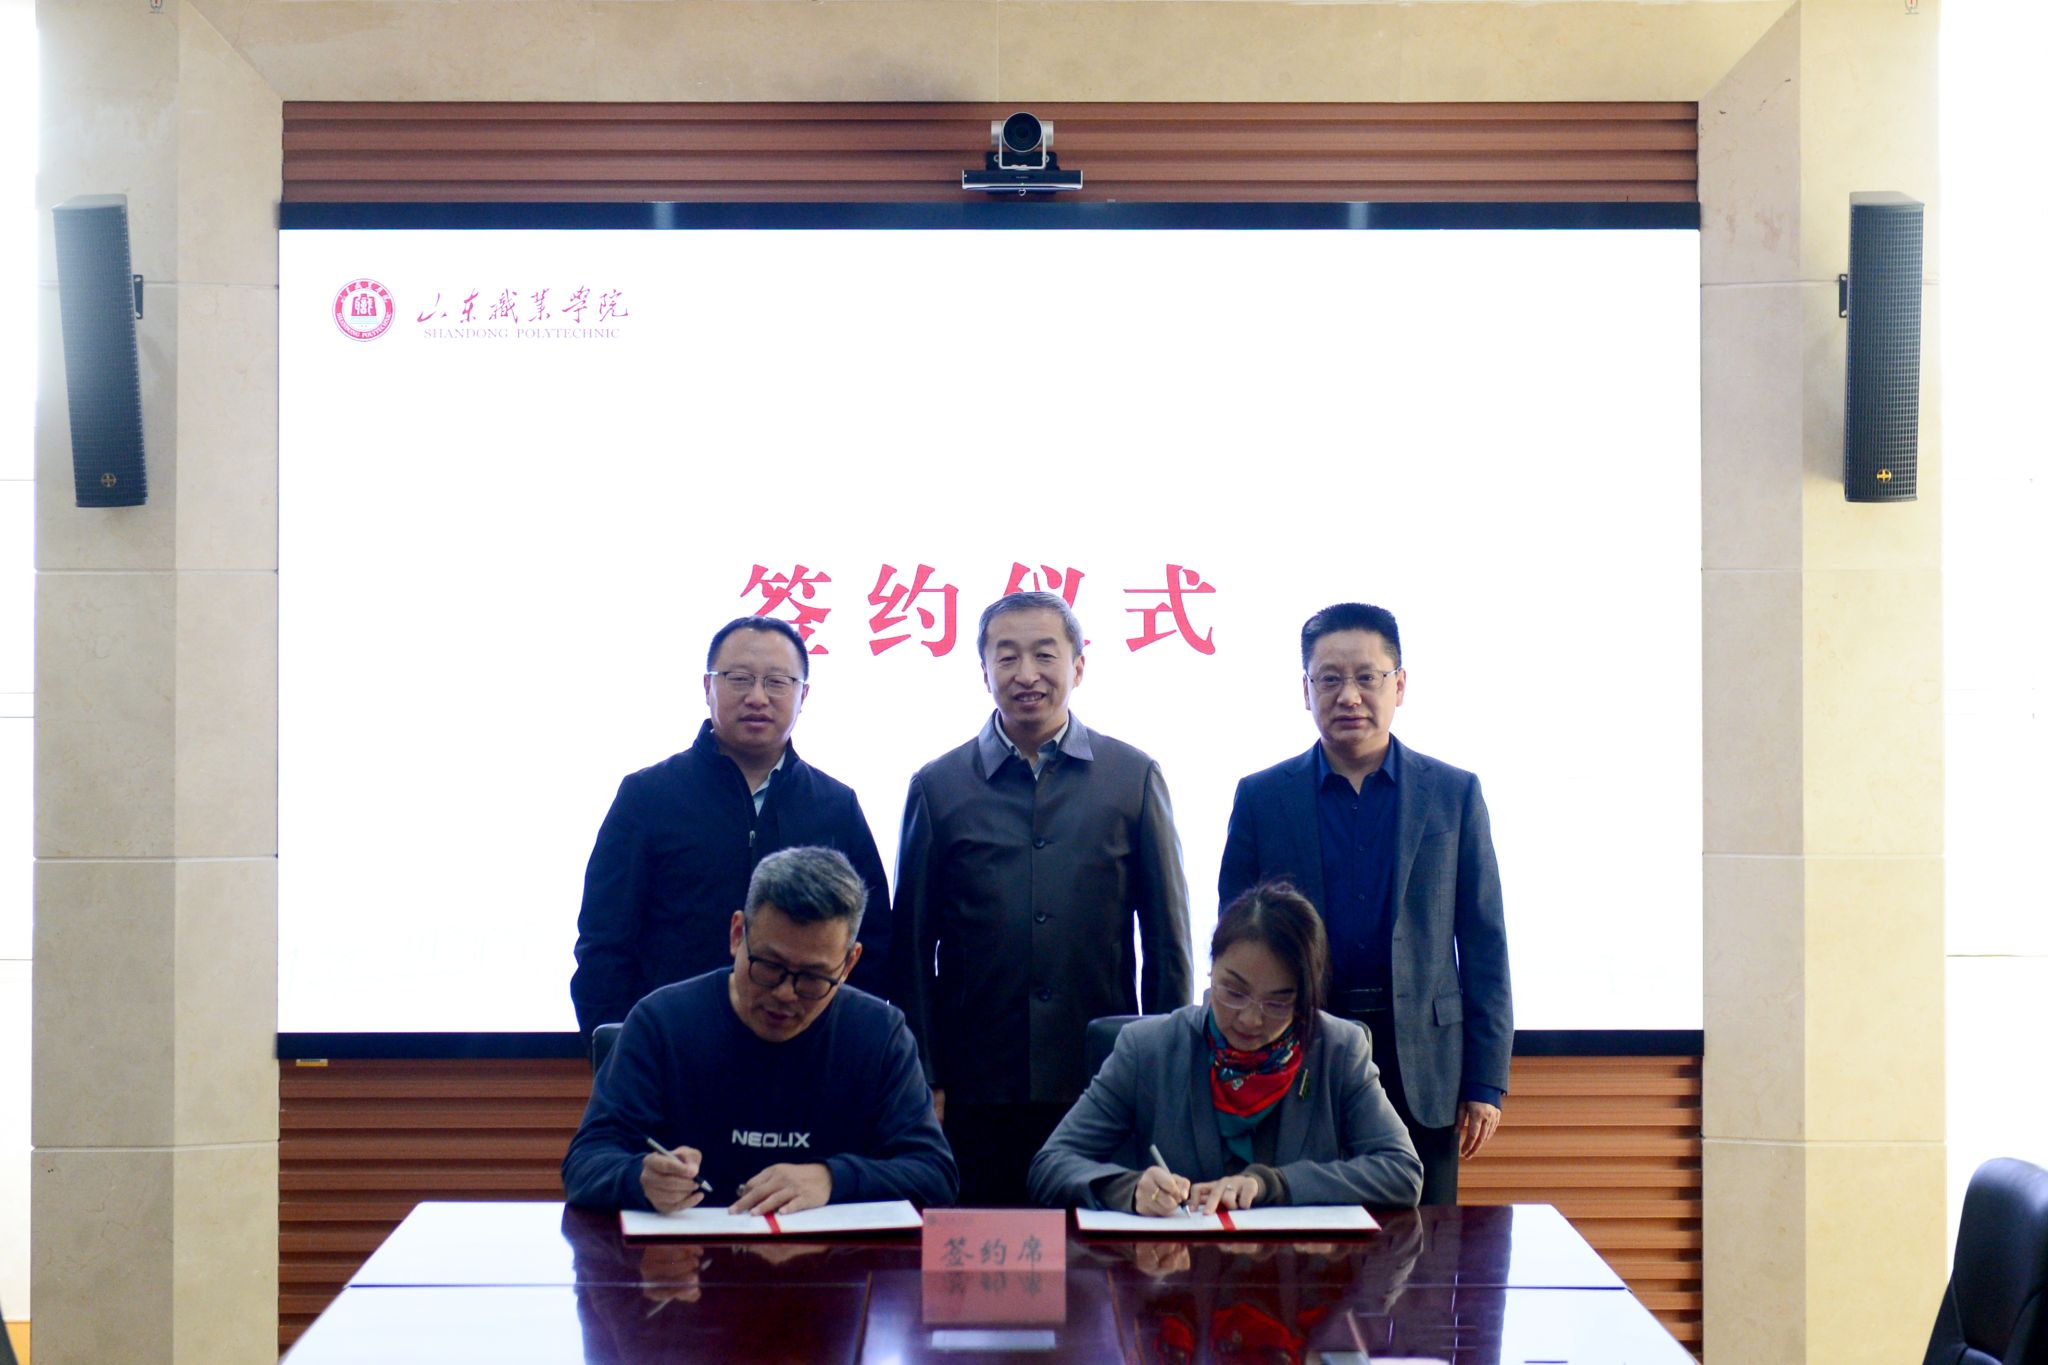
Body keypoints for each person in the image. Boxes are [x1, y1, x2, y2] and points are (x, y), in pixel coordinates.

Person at [892, 590, 1193, 1205]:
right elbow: (911, 949)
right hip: (976, 1083)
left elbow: (1168, 943)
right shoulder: (937, 786)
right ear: (984, 672)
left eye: (1044, 655)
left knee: (1096, 1252)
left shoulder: (1132, 777)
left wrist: (1165, 1074)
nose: (1026, 673)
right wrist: (926, 1073)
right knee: (981, 1249)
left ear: (1078, 667)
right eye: (1006, 657)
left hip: (1100, 1076)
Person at [1219, 602, 1511, 1205]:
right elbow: (1234, 941)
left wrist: (1485, 1081)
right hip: (1299, 1050)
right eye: (1329, 678)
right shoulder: (1262, 797)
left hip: (1422, 1063)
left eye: (1367, 677)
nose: (1348, 695)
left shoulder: (1453, 794)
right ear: (1306, 690)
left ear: (1399, 685)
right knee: (1301, 1230)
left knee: (1425, 1241)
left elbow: (1485, 945)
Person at [561, 846, 957, 1213]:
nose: (785, 993)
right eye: (768, 966)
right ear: (737, 934)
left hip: (830, 1262)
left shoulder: (880, 1035)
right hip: (686, 1258)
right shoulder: (662, 1023)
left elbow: (935, 1174)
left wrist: (832, 1179)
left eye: (813, 978)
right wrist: (640, 1179)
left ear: (849, 964)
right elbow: (586, 1161)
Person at [570, 615, 892, 1036]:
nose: (757, 697)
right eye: (739, 679)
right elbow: (604, 945)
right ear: (708, 687)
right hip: (672, 1049)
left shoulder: (835, 806)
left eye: (777, 682)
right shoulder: (647, 797)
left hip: (804, 1055)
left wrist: (843, 1049)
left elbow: (872, 947)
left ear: (803, 695)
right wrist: (622, 1052)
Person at [1027, 881, 1421, 1213]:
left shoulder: (1338, 1049)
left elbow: (1402, 1171)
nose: (1250, 1019)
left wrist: (1274, 1184)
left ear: (1305, 999)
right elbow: (1050, 1165)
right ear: (1211, 969)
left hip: (1298, 1274)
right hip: (1176, 1272)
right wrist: (1128, 1190)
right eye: (1233, 991)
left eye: (1277, 1003)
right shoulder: (1148, 1049)